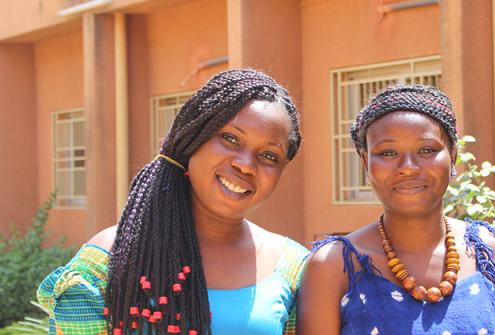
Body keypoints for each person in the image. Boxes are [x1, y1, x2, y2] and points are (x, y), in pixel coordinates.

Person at [37, 69, 309, 335]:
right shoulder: (107, 262)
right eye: (230, 139)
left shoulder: (295, 268)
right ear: (192, 139)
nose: (246, 165)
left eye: (269, 156)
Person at [297, 85, 495, 334]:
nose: (408, 167)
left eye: (426, 150)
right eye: (388, 152)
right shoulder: (335, 266)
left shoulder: (491, 253)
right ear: (366, 163)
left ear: (453, 156)